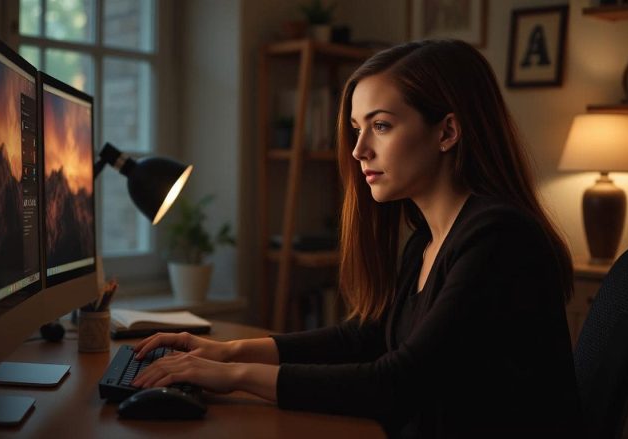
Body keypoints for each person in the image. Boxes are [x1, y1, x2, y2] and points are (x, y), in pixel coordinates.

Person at [132, 39, 581, 437]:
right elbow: (366, 337)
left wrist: (232, 377)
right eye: (356, 128)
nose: (358, 149)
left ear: (447, 131)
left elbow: (396, 384)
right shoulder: (427, 240)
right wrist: (228, 353)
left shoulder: (499, 239)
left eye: (380, 126)